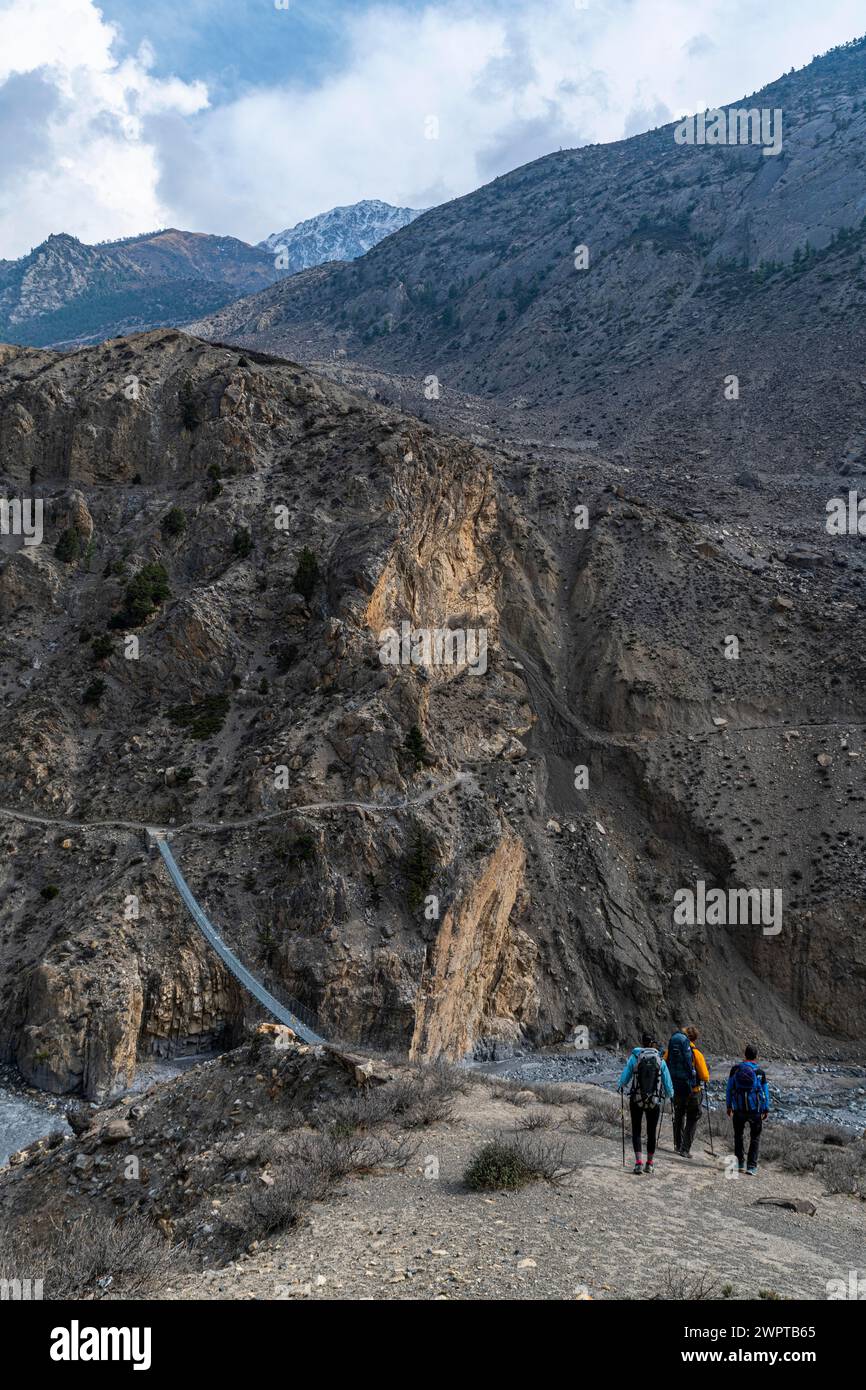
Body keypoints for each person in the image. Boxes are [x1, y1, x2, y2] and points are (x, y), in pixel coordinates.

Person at [618, 1032, 674, 1175]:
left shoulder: (635, 1057)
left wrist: (621, 1085)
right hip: (654, 1101)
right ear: (652, 1044)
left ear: (642, 1042)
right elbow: (667, 1083)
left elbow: (625, 1076)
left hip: (636, 1099)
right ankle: (649, 1164)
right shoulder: (660, 1060)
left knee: (636, 1130)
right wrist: (669, 1095)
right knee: (651, 1132)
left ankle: (638, 1163)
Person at [665, 1024, 710, 1157]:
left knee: (679, 1115)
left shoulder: (672, 1050)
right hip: (693, 1091)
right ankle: (685, 1149)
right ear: (694, 1038)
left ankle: (677, 1145)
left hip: (677, 1088)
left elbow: (664, 1063)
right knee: (693, 1117)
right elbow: (705, 1076)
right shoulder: (696, 1053)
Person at [726, 1044, 770, 1175]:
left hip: (738, 1109)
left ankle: (739, 1163)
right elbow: (765, 1092)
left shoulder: (735, 1070)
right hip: (755, 1110)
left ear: (744, 1055)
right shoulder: (760, 1073)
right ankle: (751, 1167)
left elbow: (729, 1089)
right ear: (756, 1057)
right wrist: (765, 1108)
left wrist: (729, 1106)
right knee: (755, 1137)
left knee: (738, 1135)